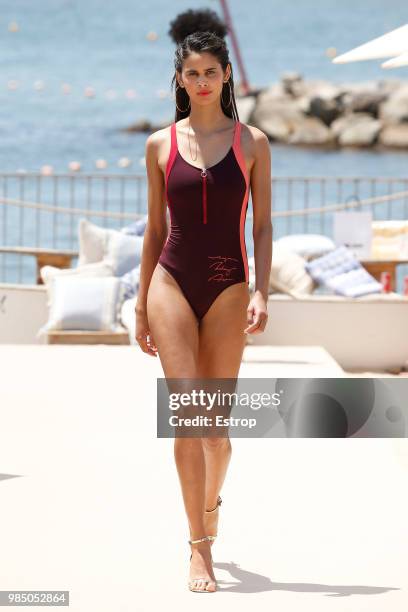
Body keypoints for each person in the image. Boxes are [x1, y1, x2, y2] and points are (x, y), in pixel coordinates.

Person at [135, 26, 272, 592]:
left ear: (226, 77)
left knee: (215, 431)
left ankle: (209, 508)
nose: (201, 81)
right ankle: (199, 547)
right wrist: (142, 304)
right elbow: (155, 229)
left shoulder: (253, 144)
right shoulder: (160, 145)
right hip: (170, 282)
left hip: (228, 287)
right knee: (188, 419)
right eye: (192, 72)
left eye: (210, 72)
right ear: (179, 78)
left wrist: (263, 289)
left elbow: (261, 226)